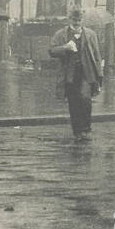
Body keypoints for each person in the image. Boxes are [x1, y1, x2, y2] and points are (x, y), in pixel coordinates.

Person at [49, 8, 103, 142]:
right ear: (69, 19)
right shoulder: (61, 34)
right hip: (70, 73)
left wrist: (99, 75)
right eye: (74, 20)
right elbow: (51, 51)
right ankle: (77, 131)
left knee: (85, 99)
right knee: (73, 102)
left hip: (86, 72)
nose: (77, 22)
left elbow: (96, 55)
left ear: (82, 20)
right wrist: (65, 48)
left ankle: (86, 129)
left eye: (79, 20)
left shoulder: (90, 34)